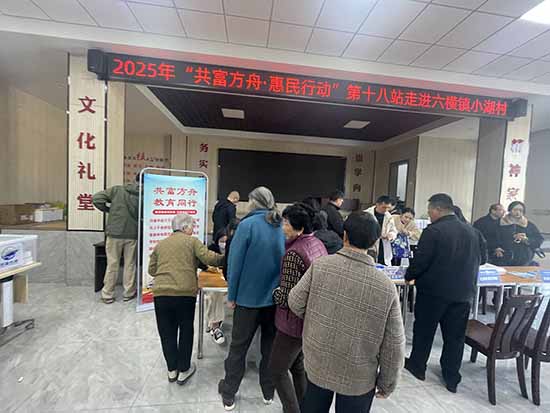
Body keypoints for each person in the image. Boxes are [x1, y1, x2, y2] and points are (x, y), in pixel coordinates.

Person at [289, 212, 405, 413]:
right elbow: (394, 344)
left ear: (344, 236)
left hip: (318, 362)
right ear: (374, 242)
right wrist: (387, 383)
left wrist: (317, 316)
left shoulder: (321, 266)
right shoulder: (386, 287)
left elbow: (295, 302)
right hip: (359, 375)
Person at [405, 194, 487, 394]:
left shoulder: (433, 231)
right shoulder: (473, 231)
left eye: (430, 211)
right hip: (463, 293)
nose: (429, 215)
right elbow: (483, 259)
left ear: (438, 209)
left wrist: (409, 275)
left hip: (433, 293)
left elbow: (421, 260)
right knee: (455, 336)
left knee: (424, 331)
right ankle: (451, 376)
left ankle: (418, 366)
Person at [218, 187, 286, 411]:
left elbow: (235, 264)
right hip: (273, 301)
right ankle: (268, 392)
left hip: (247, 300)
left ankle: (229, 394)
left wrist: (232, 295)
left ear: (254, 202)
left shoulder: (246, 225)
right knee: (269, 349)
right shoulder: (280, 225)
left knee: (238, 348)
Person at [148, 213, 223, 385]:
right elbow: (209, 258)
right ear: (185, 227)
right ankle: (184, 370)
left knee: (166, 332)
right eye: (192, 226)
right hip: (184, 294)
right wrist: (228, 257)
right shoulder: (192, 242)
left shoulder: (161, 244)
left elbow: (152, 270)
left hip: (161, 294)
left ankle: (172, 370)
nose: (193, 229)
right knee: (186, 331)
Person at [270, 203, 328, 413]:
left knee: (277, 370)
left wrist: (273, 293)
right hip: (309, 319)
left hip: (291, 324)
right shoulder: (317, 244)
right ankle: (305, 408)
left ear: (300, 228)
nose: (283, 226)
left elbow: (287, 298)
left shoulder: (294, 254)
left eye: (286, 223)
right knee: (297, 366)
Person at [92, 175, 140, 304]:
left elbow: (96, 198)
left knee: (112, 264)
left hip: (114, 233)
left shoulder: (117, 190)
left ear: (134, 180)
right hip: (132, 233)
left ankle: (107, 294)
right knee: (130, 264)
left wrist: (109, 210)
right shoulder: (143, 195)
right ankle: (128, 293)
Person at [496, 201, 544, 266]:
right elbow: (492, 237)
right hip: (502, 258)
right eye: (515, 210)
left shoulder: (529, 225)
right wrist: (496, 247)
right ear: (509, 210)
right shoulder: (500, 223)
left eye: (520, 210)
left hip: (523, 259)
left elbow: (539, 239)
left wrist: (526, 239)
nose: (518, 212)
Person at [365, 195, 398, 265]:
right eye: (384, 207)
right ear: (377, 204)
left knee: (383, 264)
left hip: (383, 245)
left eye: (388, 208)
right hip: (369, 244)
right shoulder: (366, 214)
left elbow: (394, 230)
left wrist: (391, 235)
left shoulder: (389, 216)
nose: (386, 210)